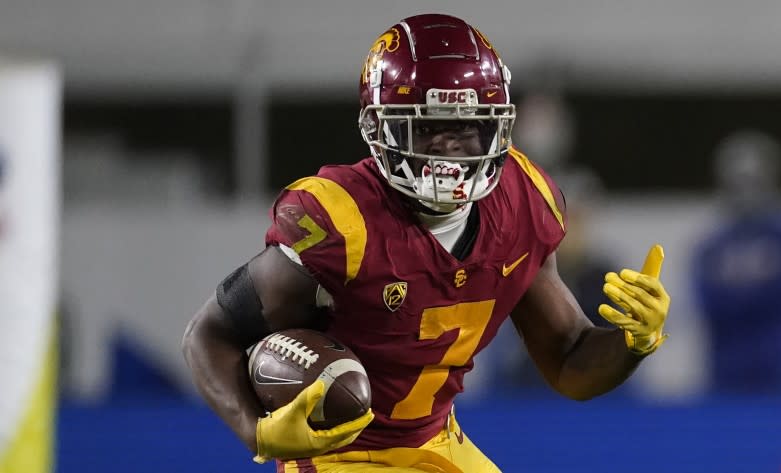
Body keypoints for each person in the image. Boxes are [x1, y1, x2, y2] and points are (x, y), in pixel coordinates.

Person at [182, 13, 671, 472]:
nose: (451, 146)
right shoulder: (342, 220)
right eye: (430, 128)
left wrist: (633, 342)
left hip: (438, 442)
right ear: (380, 128)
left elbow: (569, 359)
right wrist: (259, 432)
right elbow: (210, 334)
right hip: (342, 455)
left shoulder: (525, 200)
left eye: (468, 126)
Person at [691, 129, 781, 395]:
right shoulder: (713, 243)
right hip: (725, 360)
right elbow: (703, 296)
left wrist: (742, 297)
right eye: (738, 182)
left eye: (753, 181)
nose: (746, 191)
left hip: (775, 358)